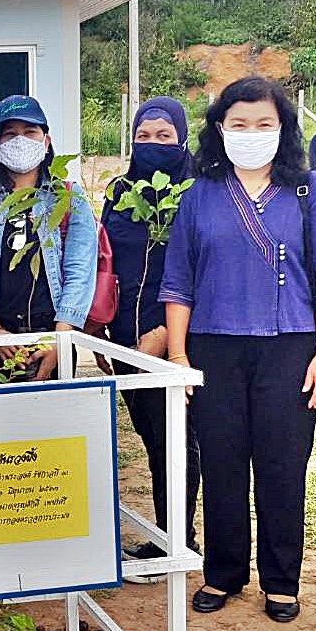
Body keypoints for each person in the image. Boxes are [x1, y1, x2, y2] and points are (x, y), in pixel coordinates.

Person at [159, 76, 316, 623]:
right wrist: (178, 357)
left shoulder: (312, 191)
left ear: (283, 129)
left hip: (290, 348)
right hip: (213, 348)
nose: (251, 134)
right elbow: (179, 282)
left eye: (264, 124)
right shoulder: (199, 194)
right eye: (239, 124)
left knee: (282, 464)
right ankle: (223, 573)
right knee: (220, 462)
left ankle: (281, 580)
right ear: (219, 130)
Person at [103, 97, 202, 569]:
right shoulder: (120, 193)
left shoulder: (198, 193)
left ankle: (181, 537)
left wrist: (165, 332)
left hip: (178, 339)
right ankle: (169, 532)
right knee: (151, 437)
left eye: (164, 136)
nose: (153, 145)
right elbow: (106, 263)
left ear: (182, 139)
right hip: (124, 338)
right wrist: (104, 332)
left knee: (178, 439)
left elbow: (205, 269)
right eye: (144, 136)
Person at [0, 94, 96, 379]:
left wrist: (59, 341)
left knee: (54, 422)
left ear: (46, 142)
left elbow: (80, 271)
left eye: (29, 132)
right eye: (9, 134)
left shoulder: (68, 198)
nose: (20, 140)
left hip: (53, 336)